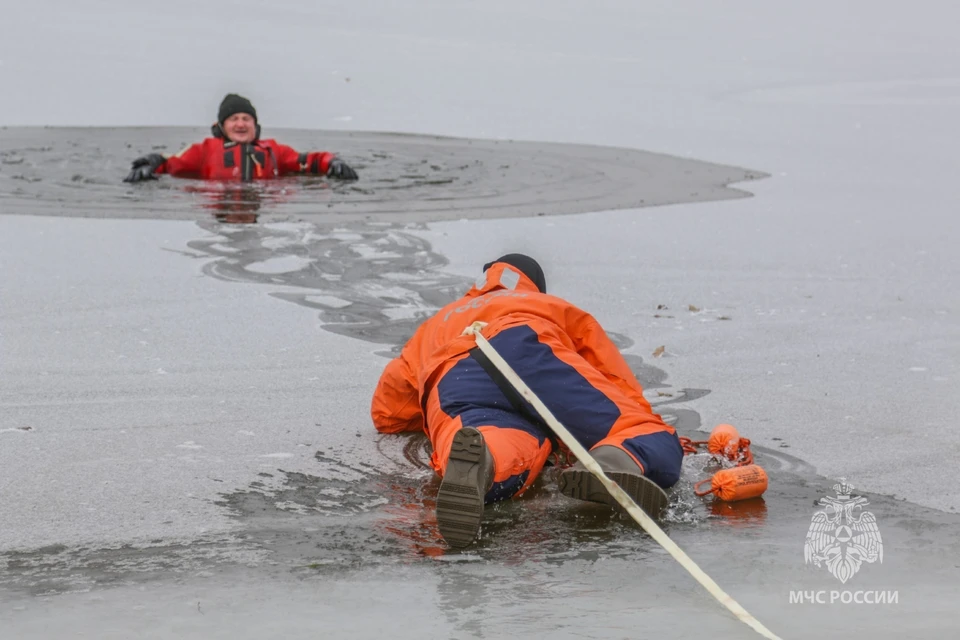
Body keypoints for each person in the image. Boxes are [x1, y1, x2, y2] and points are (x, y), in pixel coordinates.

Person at [371, 254, 684, 548]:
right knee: (641, 432)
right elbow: (610, 374)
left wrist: (428, 416)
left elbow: (388, 412)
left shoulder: (433, 325)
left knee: (502, 440)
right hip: (527, 347)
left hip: (452, 378)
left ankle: (485, 463)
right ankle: (611, 461)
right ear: (533, 284)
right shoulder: (545, 303)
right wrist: (629, 420)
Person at [123, 93, 358, 183]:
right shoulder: (205, 150)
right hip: (219, 208)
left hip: (260, 207)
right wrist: (150, 163)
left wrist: (333, 162)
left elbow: (307, 160)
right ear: (221, 126)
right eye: (234, 118)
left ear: (255, 126)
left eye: (247, 118)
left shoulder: (273, 150)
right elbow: (171, 162)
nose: (241, 124)